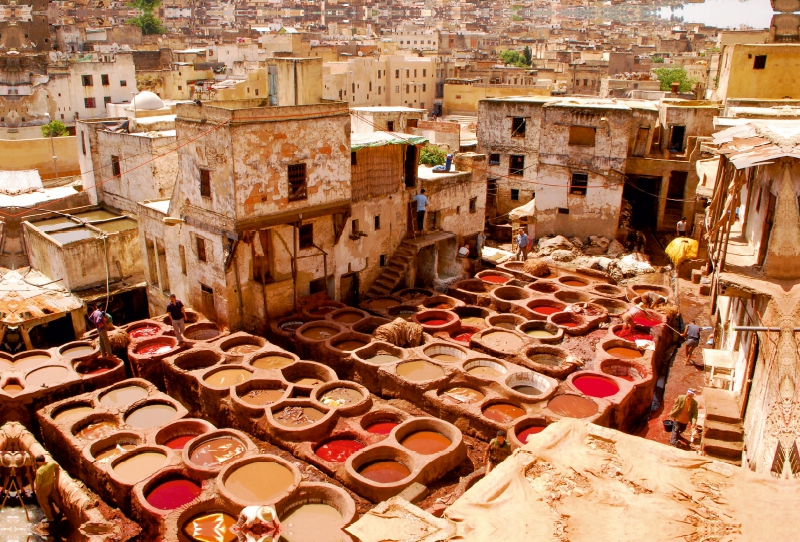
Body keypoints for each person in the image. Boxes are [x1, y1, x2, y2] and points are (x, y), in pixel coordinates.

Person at [34, 455, 59, 524]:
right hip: (50, 486)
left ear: (39, 462)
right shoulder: (51, 464)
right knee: (49, 501)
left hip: (43, 489)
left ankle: (50, 518)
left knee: (44, 504)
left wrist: (36, 490)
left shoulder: (40, 471)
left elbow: (38, 484)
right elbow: (57, 467)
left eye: (37, 462)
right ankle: (55, 513)